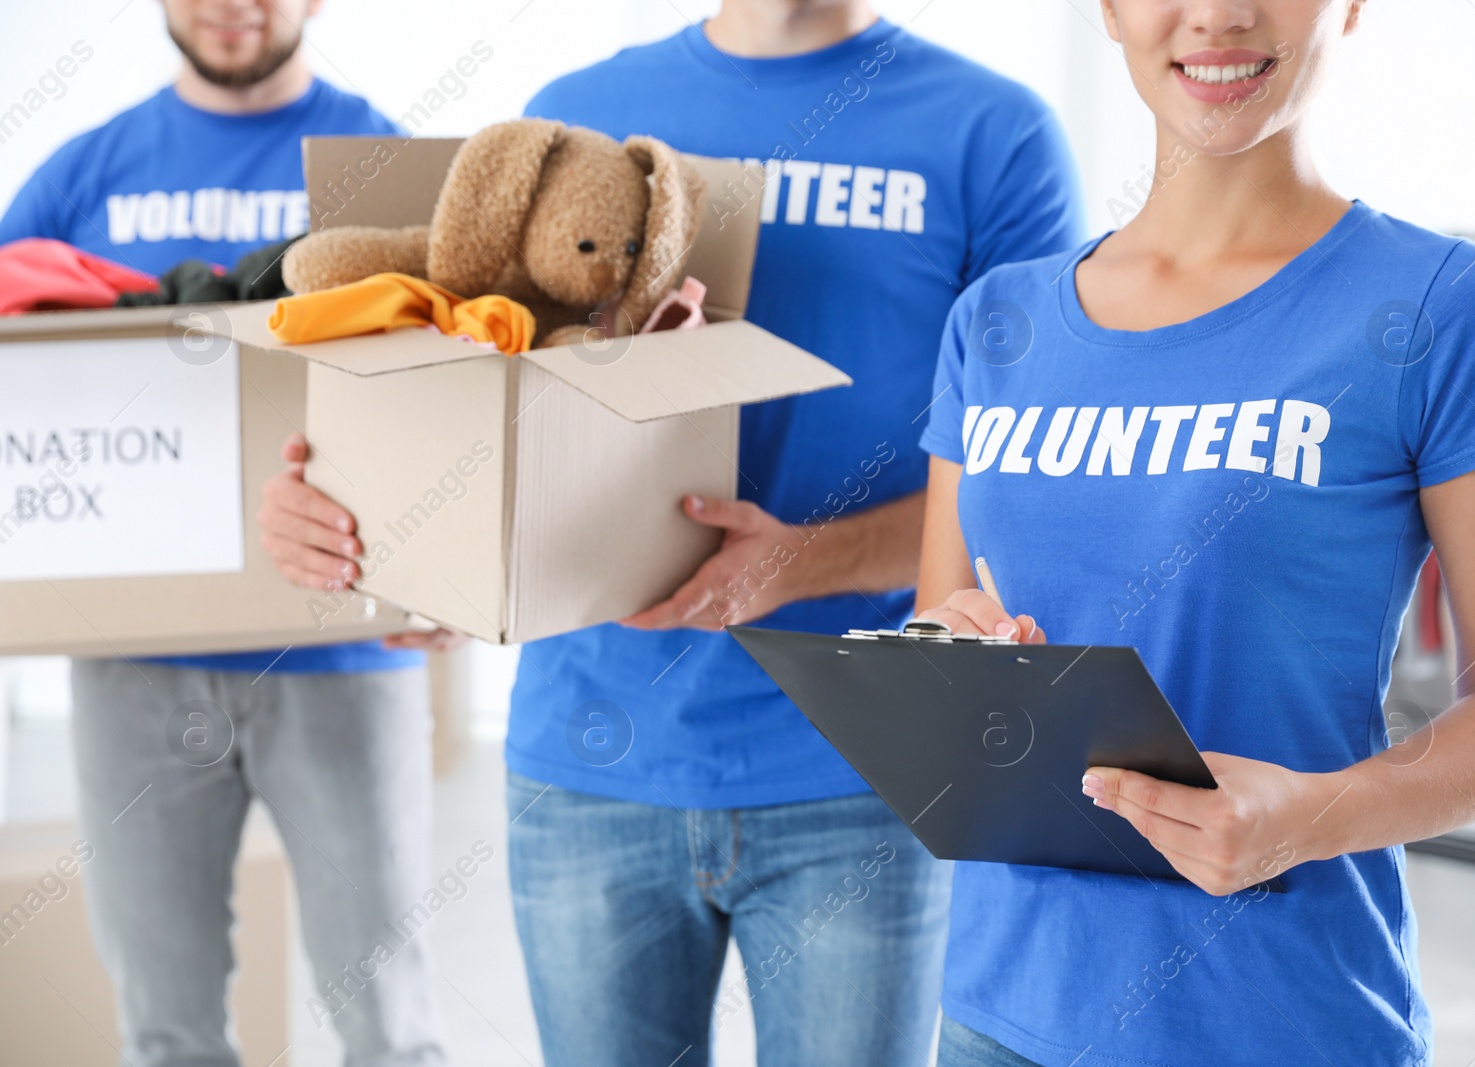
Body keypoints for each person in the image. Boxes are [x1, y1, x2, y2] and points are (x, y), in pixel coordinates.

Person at [259, 0, 1085, 1062]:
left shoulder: (994, 133)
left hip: (863, 777)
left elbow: (1037, 478)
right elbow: (484, 388)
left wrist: (802, 562)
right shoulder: (574, 117)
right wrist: (372, 526)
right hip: (588, 768)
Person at [914, 1, 1475, 1065]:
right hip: (998, 1009)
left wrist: (1311, 813)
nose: (1218, 14)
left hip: (1277, 1018)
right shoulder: (996, 319)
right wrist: (949, 658)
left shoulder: (1445, 307)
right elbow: (935, 626)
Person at [0, 2, 453, 1064]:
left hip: (344, 646)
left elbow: (459, 385)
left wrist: (451, 586)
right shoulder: (83, 172)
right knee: (165, 1029)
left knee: (389, 1027)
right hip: (132, 668)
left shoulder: (381, 162)